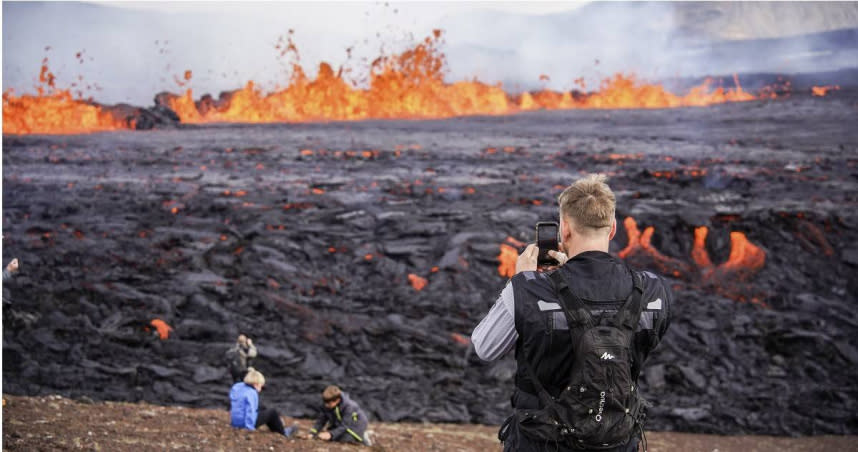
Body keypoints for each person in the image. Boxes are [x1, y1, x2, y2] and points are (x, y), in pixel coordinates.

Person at [472, 174, 672, 452]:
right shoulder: (651, 289)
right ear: (613, 228)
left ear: (564, 229)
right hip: (616, 441)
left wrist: (522, 283)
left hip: (541, 442)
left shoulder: (531, 288)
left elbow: (485, 348)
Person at [229, 367, 296, 437]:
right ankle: (283, 432)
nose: (261, 389)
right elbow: (250, 410)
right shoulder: (252, 393)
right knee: (272, 413)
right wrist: (249, 427)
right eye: (260, 386)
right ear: (255, 384)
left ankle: (276, 427)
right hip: (244, 423)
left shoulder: (237, 387)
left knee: (263, 410)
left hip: (235, 421)